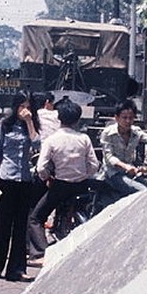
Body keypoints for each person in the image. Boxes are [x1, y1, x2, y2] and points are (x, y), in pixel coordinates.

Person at [26, 99, 99, 261]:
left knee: (35, 218)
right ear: (77, 119)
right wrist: (84, 174)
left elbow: (41, 167)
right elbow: (94, 165)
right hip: (81, 186)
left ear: (59, 118)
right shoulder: (84, 139)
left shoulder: (52, 140)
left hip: (60, 185)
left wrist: (47, 178)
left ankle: (40, 252)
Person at [0, 92, 42, 281]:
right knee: (2, 225)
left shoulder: (29, 126)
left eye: (27, 106)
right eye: (21, 106)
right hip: (6, 178)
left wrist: (29, 122)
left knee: (20, 227)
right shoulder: (4, 125)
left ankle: (16, 269)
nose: (24, 110)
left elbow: (37, 144)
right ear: (15, 106)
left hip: (24, 179)